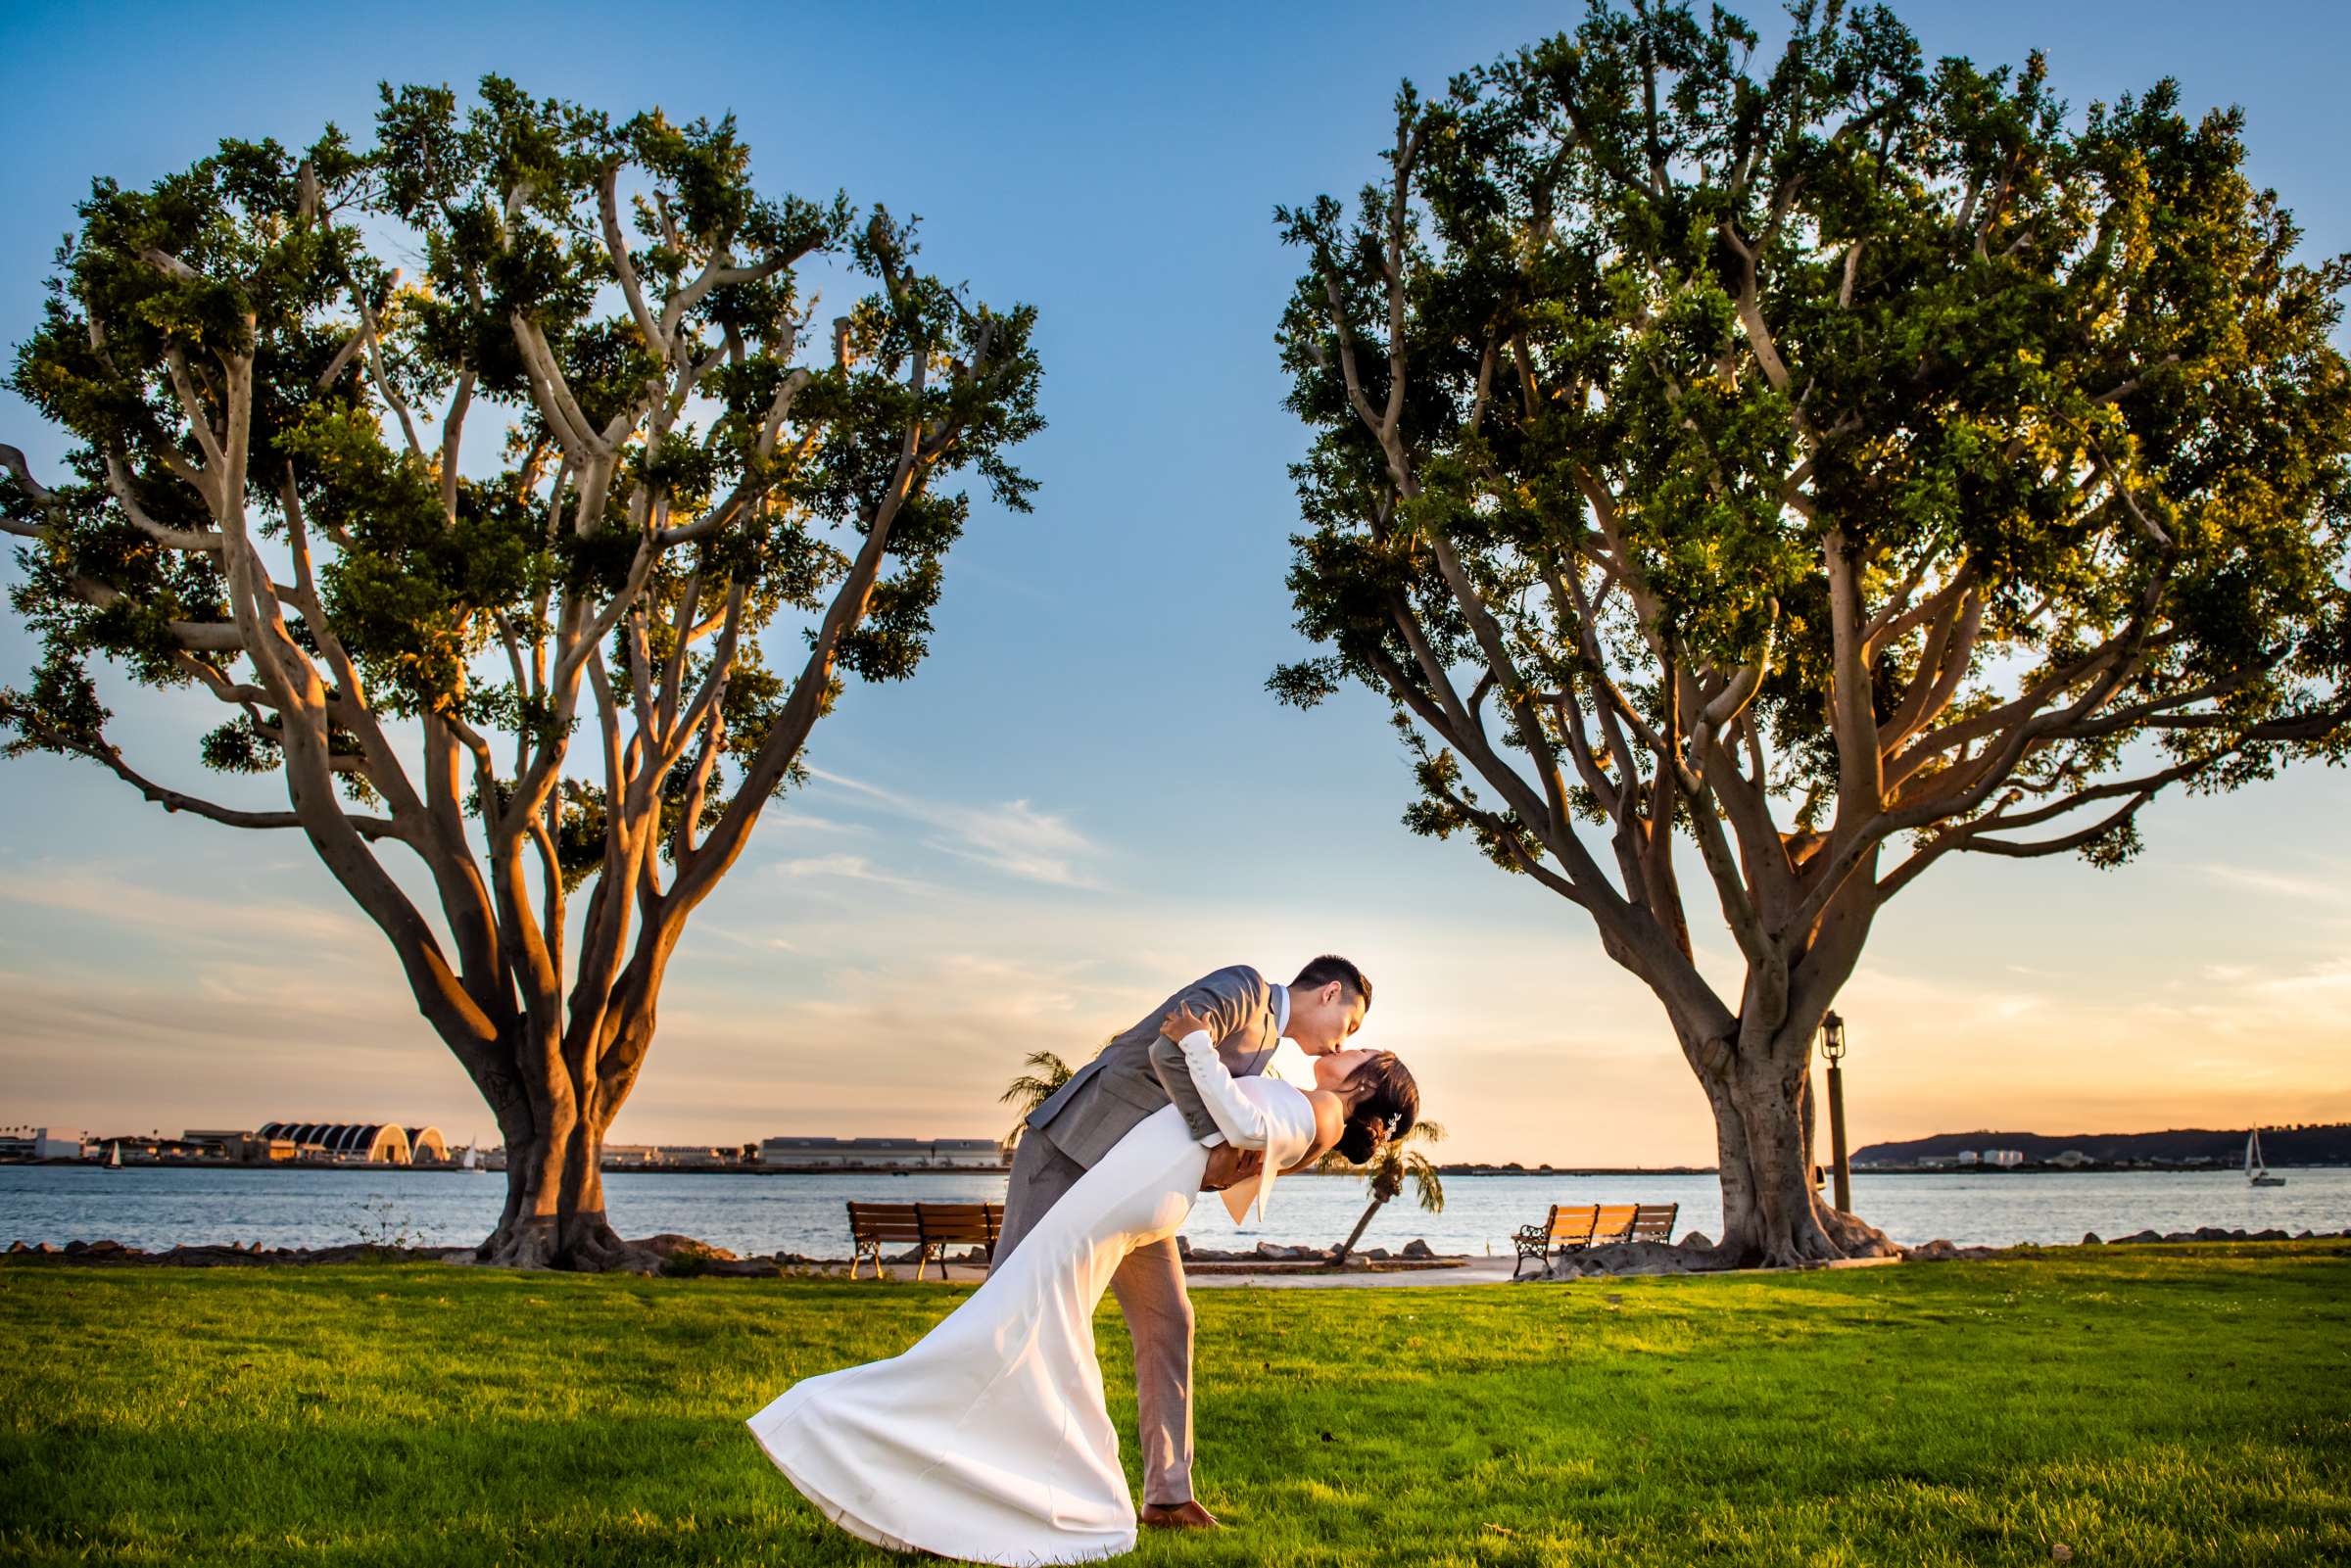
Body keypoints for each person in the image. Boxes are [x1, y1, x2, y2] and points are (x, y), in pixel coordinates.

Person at [743, 968, 1419, 1566]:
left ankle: (1168, 1494)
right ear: (1329, 992)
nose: (1340, 1040)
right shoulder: (1244, 991)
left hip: (1130, 1185)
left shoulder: (1275, 1065)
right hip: (1073, 1150)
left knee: (1170, 1321)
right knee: (1008, 1316)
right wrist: (1211, 1147)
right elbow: (1168, 1050)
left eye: (1353, 1037)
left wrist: (1213, 1162)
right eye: (1349, 1023)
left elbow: (1233, 1136)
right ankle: (936, 1474)